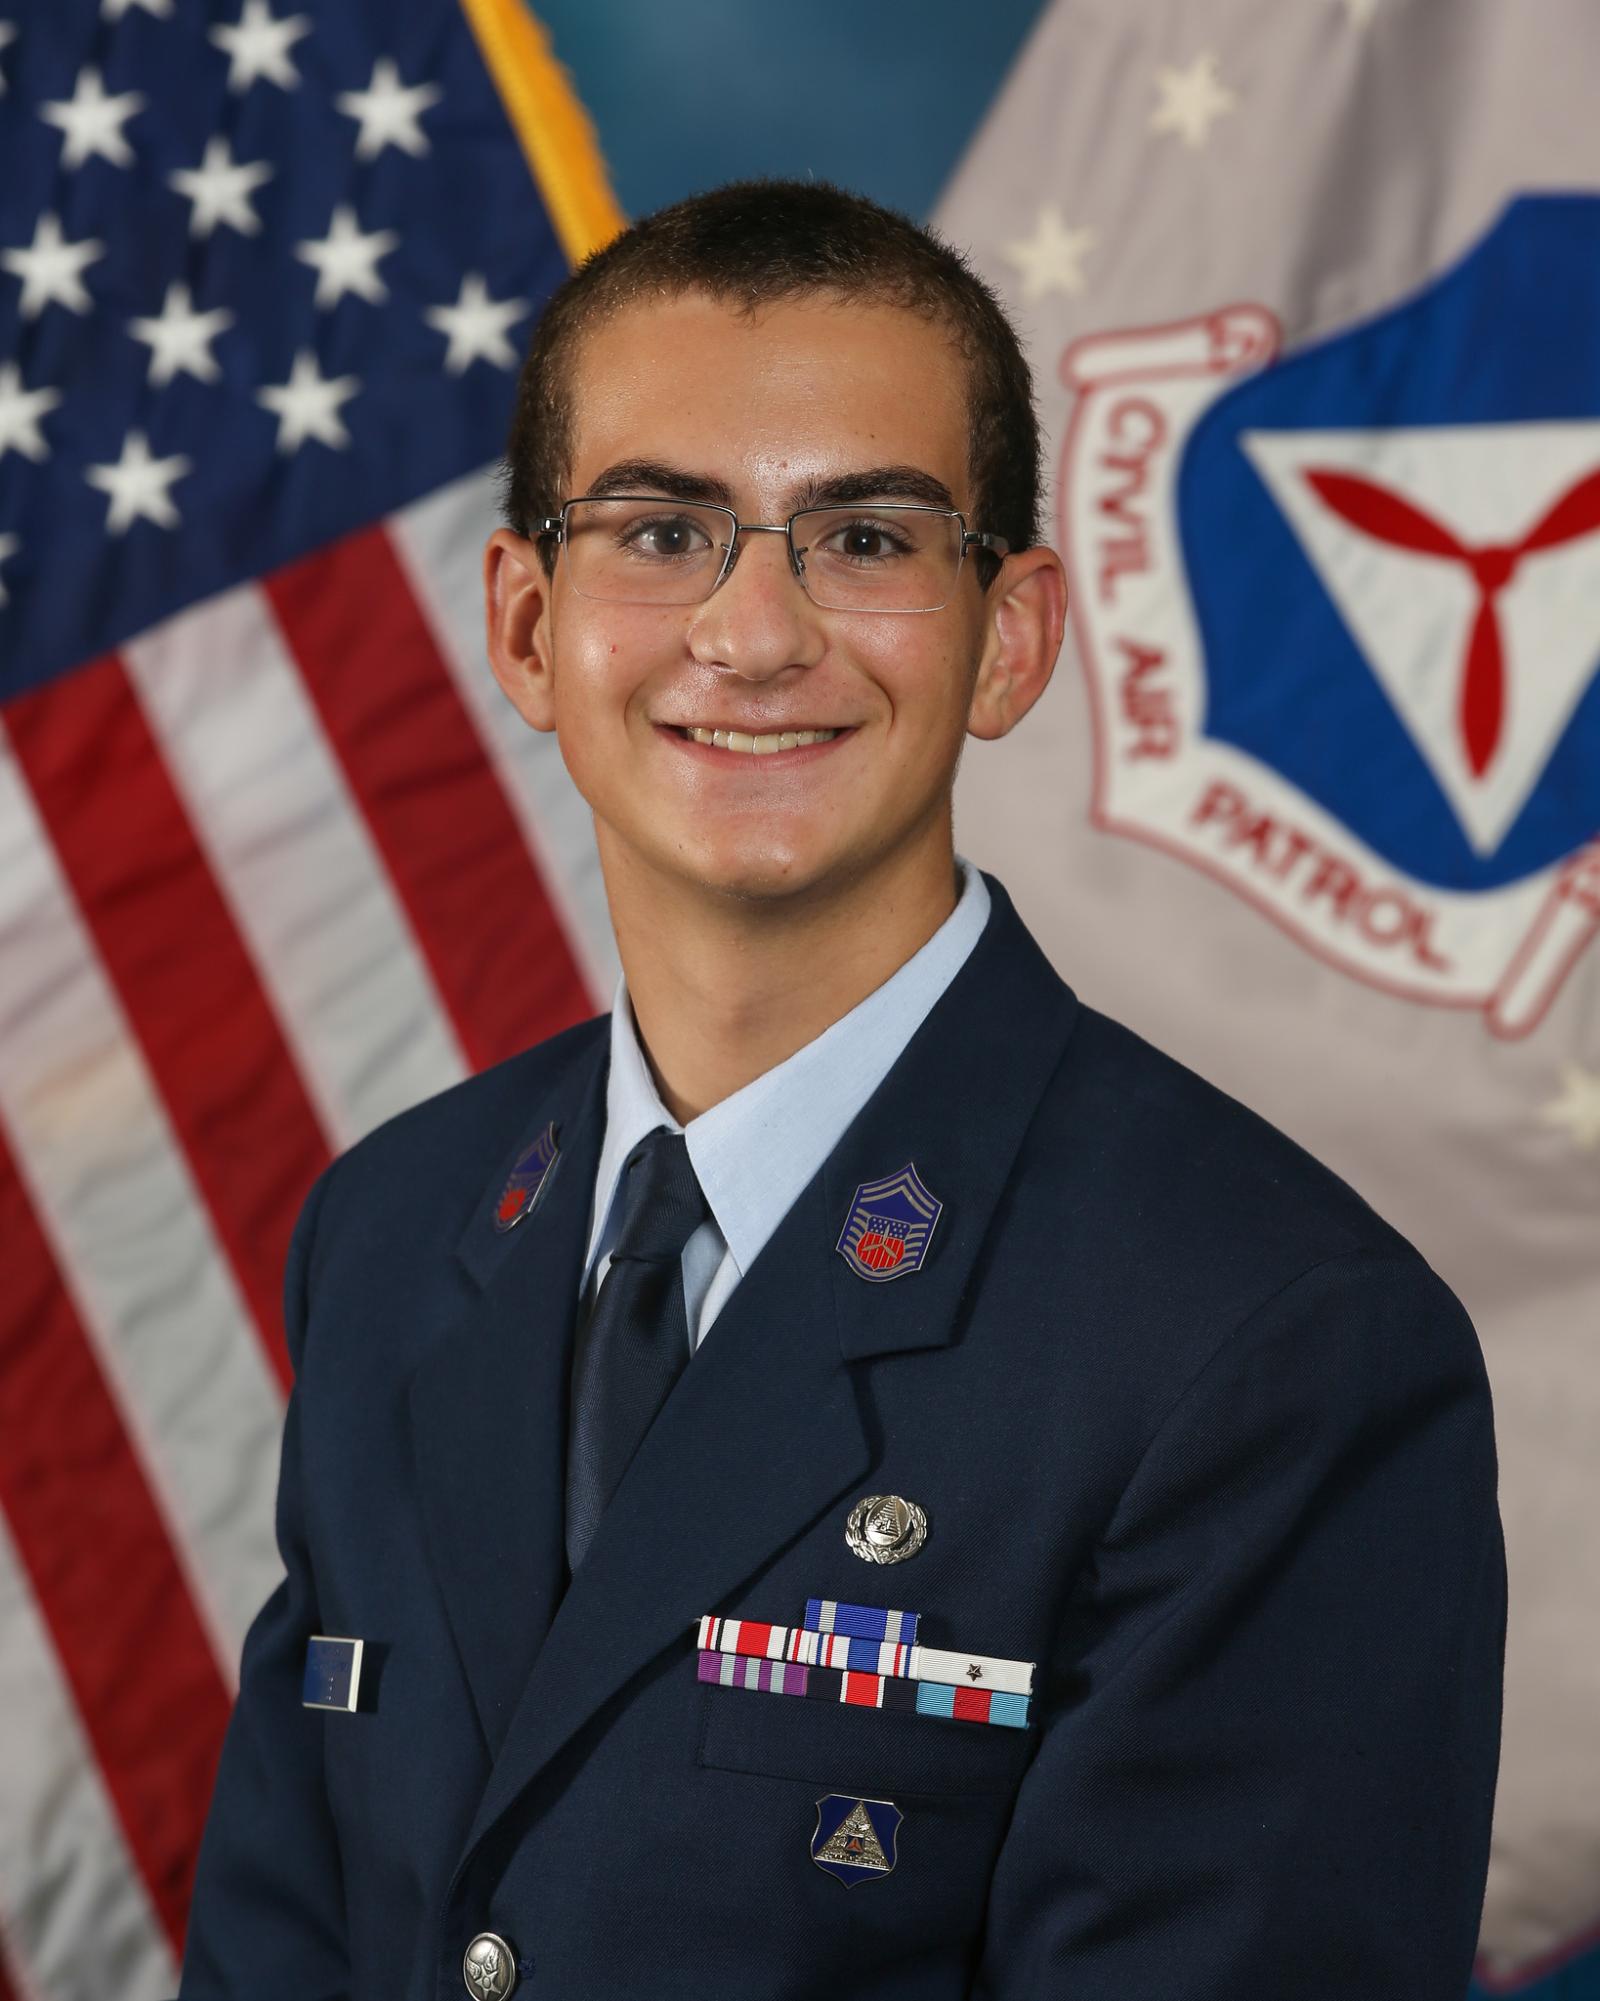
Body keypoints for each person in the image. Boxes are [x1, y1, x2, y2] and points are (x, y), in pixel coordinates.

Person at [178, 180, 1504, 2001]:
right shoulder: (398, 1230)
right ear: (522, 622)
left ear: (1011, 636)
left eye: (865, 536)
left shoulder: (1269, 1344)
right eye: (661, 529)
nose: (752, 632)